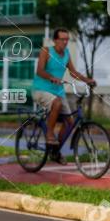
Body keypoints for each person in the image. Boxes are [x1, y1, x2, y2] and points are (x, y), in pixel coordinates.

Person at [32, 28, 96, 164]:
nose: (65, 42)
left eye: (67, 39)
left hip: (58, 91)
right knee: (57, 104)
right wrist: (51, 77)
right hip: (40, 89)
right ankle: (49, 134)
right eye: (62, 39)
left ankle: (55, 152)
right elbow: (39, 71)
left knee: (70, 123)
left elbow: (73, 73)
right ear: (55, 40)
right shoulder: (46, 51)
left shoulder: (66, 53)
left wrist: (87, 80)